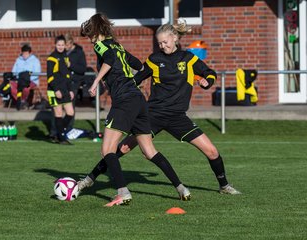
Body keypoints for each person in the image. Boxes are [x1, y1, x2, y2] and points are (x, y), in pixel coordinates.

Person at [78, 20, 241, 196]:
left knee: (211, 151)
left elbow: (210, 73)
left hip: (178, 117)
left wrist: (206, 81)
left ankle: (224, 186)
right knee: (122, 148)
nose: (163, 46)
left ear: (175, 38)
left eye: (165, 42)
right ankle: (89, 179)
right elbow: (137, 77)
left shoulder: (189, 59)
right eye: (160, 43)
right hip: (153, 115)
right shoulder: (155, 60)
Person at [80, 13, 191, 207]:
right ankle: (181, 187)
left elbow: (109, 58)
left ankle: (122, 192)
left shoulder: (101, 45)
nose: (90, 40)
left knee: (107, 150)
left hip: (124, 100)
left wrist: (97, 81)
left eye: (89, 35)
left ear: (95, 32)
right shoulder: (118, 45)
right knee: (149, 151)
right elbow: (138, 65)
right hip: (138, 99)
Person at [47, 35, 75, 145]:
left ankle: (58, 133)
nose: (60, 46)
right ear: (55, 45)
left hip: (65, 90)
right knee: (58, 113)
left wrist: (71, 90)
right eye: (58, 44)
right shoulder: (51, 58)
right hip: (54, 90)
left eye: (62, 45)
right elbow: (50, 76)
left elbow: (67, 76)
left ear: (65, 45)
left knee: (70, 113)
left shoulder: (65, 57)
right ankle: (62, 138)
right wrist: (56, 90)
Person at [11, 44, 41, 110]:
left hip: (31, 80)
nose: (24, 55)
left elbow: (37, 73)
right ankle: (21, 101)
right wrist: (15, 78)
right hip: (19, 80)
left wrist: (27, 79)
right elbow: (13, 71)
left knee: (25, 88)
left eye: (26, 53)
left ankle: (23, 101)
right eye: (23, 53)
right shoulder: (18, 60)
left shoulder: (35, 61)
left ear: (30, 53)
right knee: (11, 86)